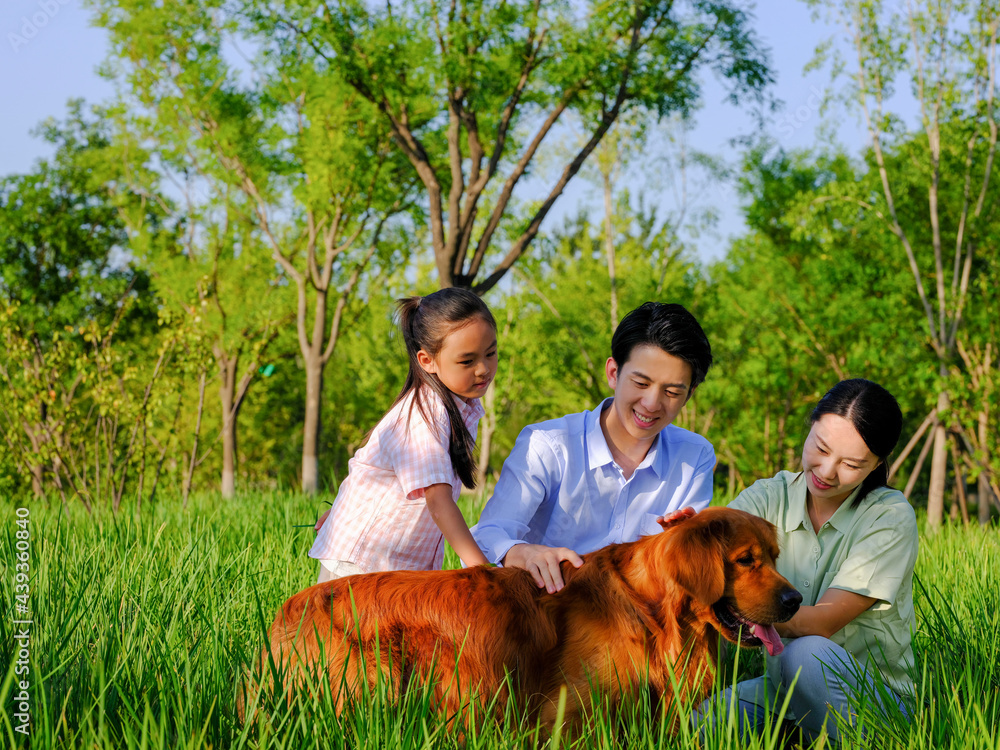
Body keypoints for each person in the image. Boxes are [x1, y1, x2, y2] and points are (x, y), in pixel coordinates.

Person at [701, 378, 917, 743]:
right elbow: (708, 548)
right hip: (782, 689)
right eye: (820, 447)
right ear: (811, 426)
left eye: (850, 463)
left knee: (805, 655)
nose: (827, 471)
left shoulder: (890, 517)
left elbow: (820, 623)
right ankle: (806, 733)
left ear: (878, 463)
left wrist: (745, 610)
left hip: (869, 699)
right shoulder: (768, 496)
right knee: (692, 724)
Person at [471, 301, 715, 593]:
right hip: (548, 614)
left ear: (689, 394)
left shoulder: (695, 456)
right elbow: (490, 533)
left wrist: (686, 545)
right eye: (640, 383)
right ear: (613, 373)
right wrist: (519, 552)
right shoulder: (548, 445)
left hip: (637, 622)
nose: (651, 403)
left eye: (672, 392)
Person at [309, 288, 495, 581]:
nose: (483, 369)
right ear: (426, 360)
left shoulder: (461, 406)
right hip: (363, 562)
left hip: (394, 562)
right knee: (348, 628)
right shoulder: (425, 413)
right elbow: (438, 499)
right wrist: (482, 572)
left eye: (491, 353)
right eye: (467, 361)